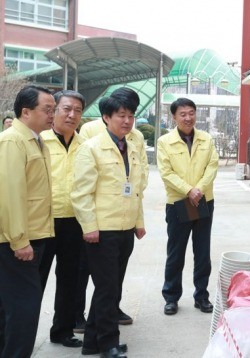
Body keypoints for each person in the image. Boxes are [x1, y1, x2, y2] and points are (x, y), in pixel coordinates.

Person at [71, 90, 146, 358]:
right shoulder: (90, 148)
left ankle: (91, 342)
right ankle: (108, 344)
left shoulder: (132, 146)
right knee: (108, 289)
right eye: (121, 116)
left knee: (111, 286)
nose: (127, 121)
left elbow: (136, 188)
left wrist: (138, 221)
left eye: (131, 116)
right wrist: (89, 226)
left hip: (125, 229)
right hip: (101, 231)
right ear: (106, 117)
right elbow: (81, 193)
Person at [0, 85, 55, 357]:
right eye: (47, 110)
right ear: (25, 111)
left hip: (35, 236)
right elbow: (10, 194)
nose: (52, 115)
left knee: (12, 306)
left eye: (53, 110)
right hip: (19, 241)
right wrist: (20, 240)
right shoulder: (13, 140)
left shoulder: (36, 140)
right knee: (25, 308)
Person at [157, 98, 218, 315]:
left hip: (203, 201)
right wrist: (188, 190)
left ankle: (201, 296)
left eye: (191, 113)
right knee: (176, 252)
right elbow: (166, 172)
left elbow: (212, 167)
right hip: (178, 204)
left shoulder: (206, 139)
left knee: (202, 252)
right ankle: (171, 297)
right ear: (173, 117)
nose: (188, 117)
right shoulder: (165, 142)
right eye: (182, 114)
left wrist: (199, 189)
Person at [38, 90, 86, 348]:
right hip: (42, 222)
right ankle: (20, 333)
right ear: (54, 110)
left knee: (70, 279)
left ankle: (62, 330)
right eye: (66, 108)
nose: (72, 115)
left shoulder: (85, 145)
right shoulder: (39, 140)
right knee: (34, 281)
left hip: (74, 222)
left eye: (77, 110)